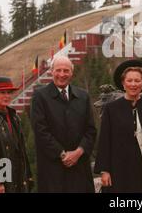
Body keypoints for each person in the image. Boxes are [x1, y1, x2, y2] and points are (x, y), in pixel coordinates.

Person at [30, 56, 96, 192]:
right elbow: (40, 131)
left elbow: (90, 130)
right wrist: (63, 155)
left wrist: (78, 152)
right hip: (53, 169)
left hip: (80, 168)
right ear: (51, 72)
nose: (62, 74)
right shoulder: (40, 96)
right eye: (58, 70)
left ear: (72, 73)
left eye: (66, 71)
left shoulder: (83, 96)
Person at [94, 59, 142, 193]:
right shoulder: (111, 109)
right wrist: (104, 171)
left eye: (137, 81)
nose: (133, 84)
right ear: (123, 84)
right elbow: (105, 141)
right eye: (129, 81)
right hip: (119, 171)